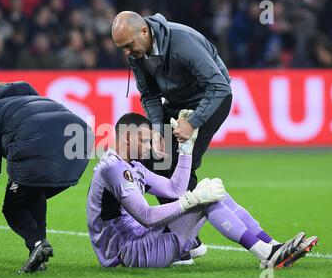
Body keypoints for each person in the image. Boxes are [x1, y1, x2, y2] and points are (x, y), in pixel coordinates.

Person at [87, 112, 318, 268]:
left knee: (215, 193)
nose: (149, 148)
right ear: (127, 137)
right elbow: (147, 216)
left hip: (142, 243)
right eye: (145, 141)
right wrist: (191, 200)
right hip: (128, 253)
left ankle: (272, 246)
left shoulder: (132, 166)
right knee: (205, 199)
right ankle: (266, 255)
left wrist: (186, 149)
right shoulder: (113, 168)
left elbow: (174, 188)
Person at [111, 10, 234, 262]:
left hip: (210, 102)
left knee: (180, 164)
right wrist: (157, 130)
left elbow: (219, 86)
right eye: (121, 48)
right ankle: (187, 239)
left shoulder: (181, 42)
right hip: (177, 104)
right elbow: (150, 95)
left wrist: (194, 123)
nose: (126, 53)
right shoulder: (139, 53)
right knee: (153, 158)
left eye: (128, 46)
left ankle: (183, 239)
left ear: (144, 32)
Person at [0, 81, 93, 273]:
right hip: (79, 146)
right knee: (32, 192)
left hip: (36, 148)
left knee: (14, 207)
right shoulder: (41, 101)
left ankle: (38, 244)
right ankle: (38, 253)